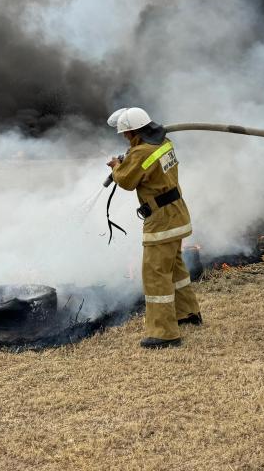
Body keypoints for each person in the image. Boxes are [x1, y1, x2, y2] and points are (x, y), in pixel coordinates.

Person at [106, 107, 202, 349]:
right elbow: (149, 169)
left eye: (126, 133)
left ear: (133, 131)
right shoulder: (164, 142)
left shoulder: (141, 152)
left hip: (161, 220)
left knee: (155, 273)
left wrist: (116, 166)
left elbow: (126, 180)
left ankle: (164, 333)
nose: (124, 137)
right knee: (175, 267)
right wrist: (128, 160)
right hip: (177, 213)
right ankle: (187, 312)